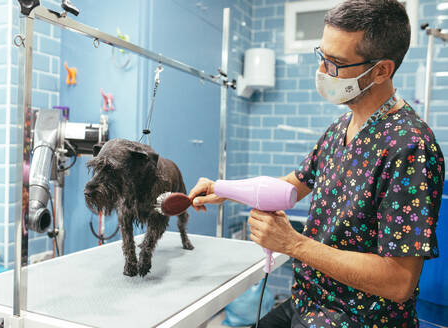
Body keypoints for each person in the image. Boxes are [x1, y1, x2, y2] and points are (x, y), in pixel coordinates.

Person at [188, 0, 444, 327]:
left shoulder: (411, 147)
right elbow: (292, 188)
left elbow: (398, 282)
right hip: (307, 303)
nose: (323, 72)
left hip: (358, 320)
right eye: (322, 56)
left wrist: (294, 244)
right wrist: (225, 189)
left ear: (382, 70)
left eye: (336, 62)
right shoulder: (340, 128)